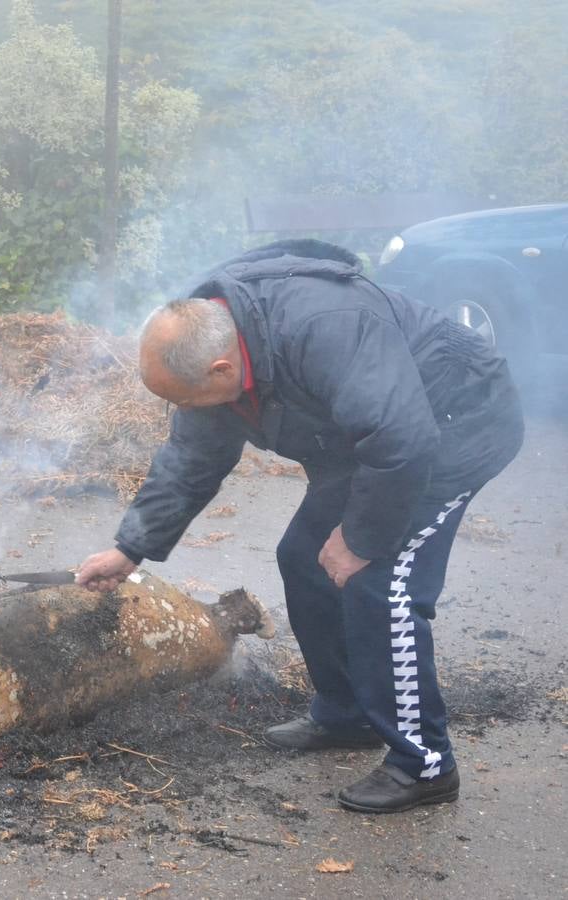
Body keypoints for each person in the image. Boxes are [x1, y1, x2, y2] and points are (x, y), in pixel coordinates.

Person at [75, 239, 523, 814]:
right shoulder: (213, 340)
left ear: (220, 369)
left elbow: (403, 442)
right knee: (303, 556)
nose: (183, 411)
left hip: (453, 424)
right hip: (371, 444)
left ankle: (424, 763)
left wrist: (361, 539)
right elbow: (191, 460)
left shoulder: (321, 326)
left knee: (380, 581)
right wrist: (129, 549)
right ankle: (349, 714)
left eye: (184, 401)